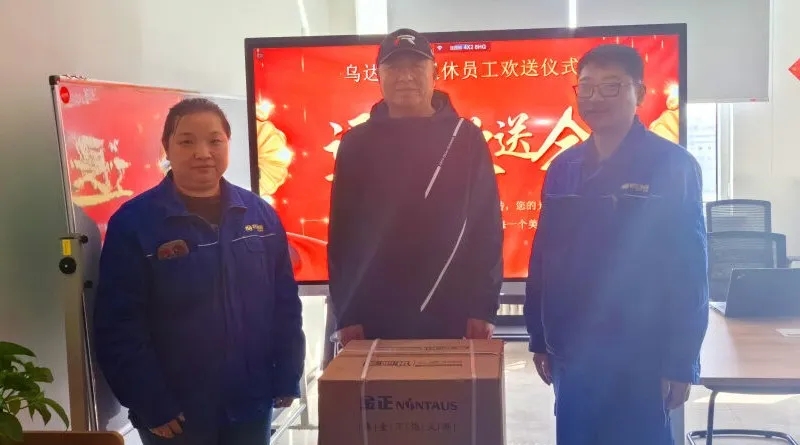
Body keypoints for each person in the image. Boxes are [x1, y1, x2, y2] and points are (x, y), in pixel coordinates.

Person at [524, 44, 709, 445]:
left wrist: (681, 360)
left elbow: (690, 271)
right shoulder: (564, 167)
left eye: (611, 86)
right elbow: (544, 259)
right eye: (586, 87)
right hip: (573, 349)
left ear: (639, 93)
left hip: (642, 352)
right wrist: (539, 336)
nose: (595, 98)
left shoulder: (673, 165)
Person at [93, 98, 305, 445]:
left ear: (228, 144)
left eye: (214, 140)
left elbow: (284, 304)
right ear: (167, 148)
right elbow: (119, 323)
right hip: (176, 411)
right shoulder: (135, 223)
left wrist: (287, 374)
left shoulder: (260, 215)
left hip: (251, 402)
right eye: (187, 141)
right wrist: (150, 402)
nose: (202, 153)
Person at [327, 28, 503, 346]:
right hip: (375, 314)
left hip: (453, 311)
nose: (405, 76)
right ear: (378, 74)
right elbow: (343, 235)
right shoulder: (356, 143)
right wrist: (347, 313)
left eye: (416, 66)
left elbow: (486, 227)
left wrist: (483, 307)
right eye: (394, 67)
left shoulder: (465, 138)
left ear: (435, 72)